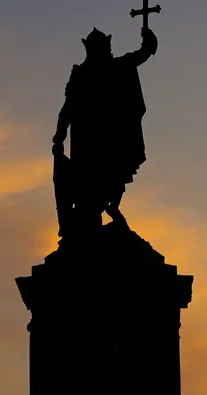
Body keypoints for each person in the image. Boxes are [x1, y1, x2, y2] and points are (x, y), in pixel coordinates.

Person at [52, 26, 158, 243]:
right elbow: (68, 107)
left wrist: (149, 42)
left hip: (111, 142)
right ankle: (88, 227)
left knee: (113, 178)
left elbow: (140, 55)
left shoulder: (116, 67)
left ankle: (108, 212)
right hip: (86, 146)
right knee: (89, 190)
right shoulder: (80, 74)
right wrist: (59, 135)